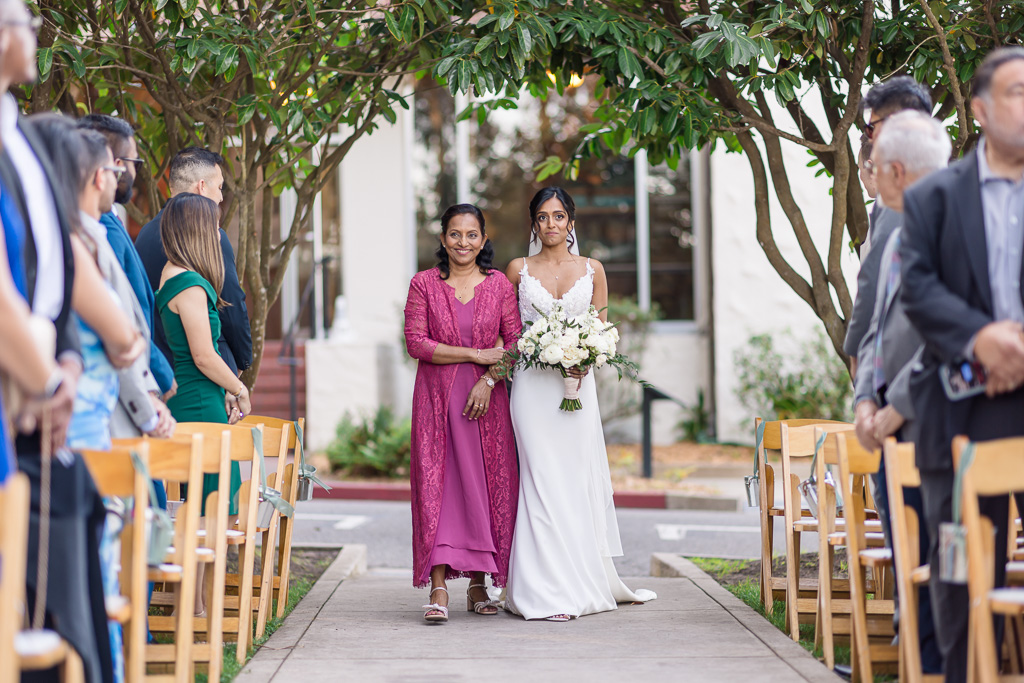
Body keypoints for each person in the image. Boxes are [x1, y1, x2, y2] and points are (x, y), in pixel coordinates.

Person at [900, 47, 1024, 683]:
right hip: (955, 414)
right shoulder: (936, 198)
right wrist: (981, 339)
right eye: (1018, 91)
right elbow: (917, 288)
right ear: (980, 109)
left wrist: (1019, 348)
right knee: (954, 565)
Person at [0, 1, 113, 681]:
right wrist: (42, 379)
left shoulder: (20, 136)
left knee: (64, 618)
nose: (32, 32)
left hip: (43, 405)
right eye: (20, 18)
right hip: (20, 401)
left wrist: (67, 358)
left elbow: (51, 272)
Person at [503, 187, 656, 621]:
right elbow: (506, 331)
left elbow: (602, 331)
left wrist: (587, 359)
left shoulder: (594, 269)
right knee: (539, 482)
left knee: (573, 482)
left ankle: (577, 584)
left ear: (571, 221)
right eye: (542, 217)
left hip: (576, 386)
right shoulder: (517, 269)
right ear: (533, 223)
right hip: (532, 389)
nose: (550, 224)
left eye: (558, 216)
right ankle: (541, 593)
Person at [852, 110, 949, 674]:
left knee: (944, 563)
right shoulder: (891, 235)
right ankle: (917, 661)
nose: (868, 174)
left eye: (874, 164)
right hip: (888, 425)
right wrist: (867, 396)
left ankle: (938, 664)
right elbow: (876, 331)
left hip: (935, 424)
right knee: (909, 554)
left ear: (893, 170)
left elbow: (949, 339)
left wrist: (897, 407)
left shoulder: (955, 234)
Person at [403, 204, 521, 623]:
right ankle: (438, 587)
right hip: (436, 403)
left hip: (486, 404)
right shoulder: (424, 284)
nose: (463, 243)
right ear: (442, 239)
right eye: (455, 234)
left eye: (472, 235)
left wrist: (488, 381)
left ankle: (477, 583)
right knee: (440, 488)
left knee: (483, 486)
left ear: (484, 240)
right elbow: (416, 342)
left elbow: (516, 342)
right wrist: (473, 353)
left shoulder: (500, 287)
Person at [155, 192, 249, 617]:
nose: (217, 232)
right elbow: (204, 354)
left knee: (200, 509)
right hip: (198, 404)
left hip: (196, 399)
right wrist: (239, 388)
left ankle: (193, 607)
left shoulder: (172, 274)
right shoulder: (189, 284)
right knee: (215, 509)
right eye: (212, 225)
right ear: (197, 230)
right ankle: (195, 611)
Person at [77, 113, 176, 402]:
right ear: (116, 166)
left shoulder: (108, 219)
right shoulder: (99, 230)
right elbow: (121, 313)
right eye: (135, 163)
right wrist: (157, 373)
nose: (135, 174)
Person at [137, 147, 251, 377]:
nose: (220, 197)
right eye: (219, 188)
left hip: (160, 370)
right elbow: (230, 303)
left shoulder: (144, 236)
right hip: (210, 371)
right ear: (201, 186)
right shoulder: (212, 236)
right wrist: (242, 362)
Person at [845, 76, 933, 374]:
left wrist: (856, 351)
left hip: (912, 366)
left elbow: (873, 283)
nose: (869, 136)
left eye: (872, 127)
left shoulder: (908, 197)